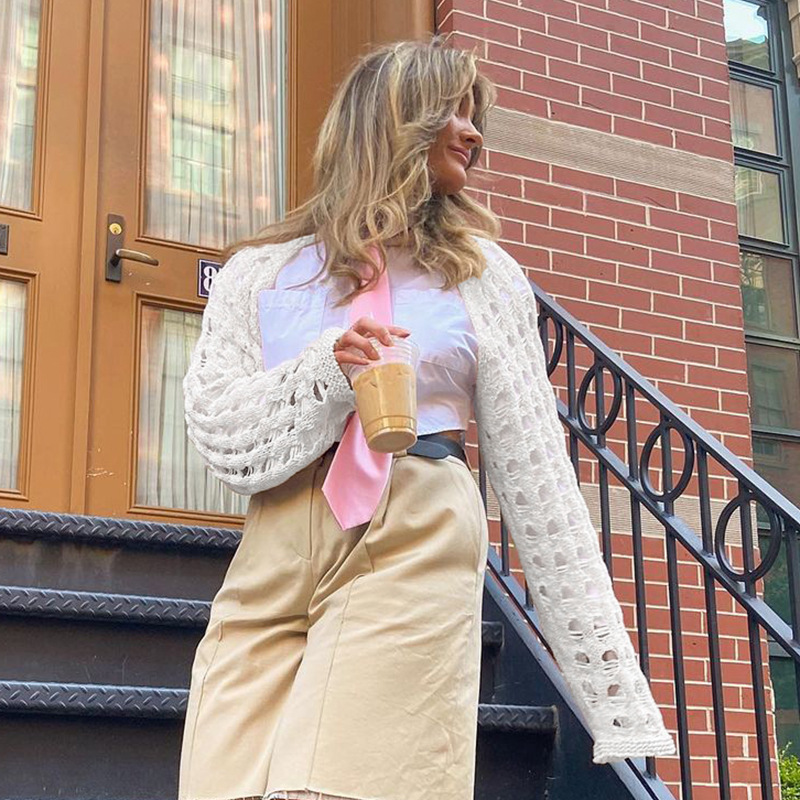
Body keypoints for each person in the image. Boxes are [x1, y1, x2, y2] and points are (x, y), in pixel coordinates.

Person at [179, 37, 675, 800]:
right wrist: (326, 373)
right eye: (453, 111)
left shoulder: (481, 276)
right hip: (277, 538)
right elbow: (222, 437)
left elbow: (540, 483)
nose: (473, 132)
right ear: (393, 120)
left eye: (476, 117)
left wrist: (608, 685)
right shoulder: (260, 275)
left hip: (415, 522)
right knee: (222, 784)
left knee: (343, 789)